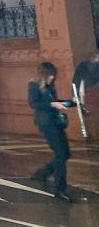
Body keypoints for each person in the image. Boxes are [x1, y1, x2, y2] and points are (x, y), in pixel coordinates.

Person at [28, 62, 73, 203]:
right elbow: (33, 103)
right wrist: (52, 104)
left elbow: (55, 102)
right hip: (46, 123)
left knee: (66, 153)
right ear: (44, 74)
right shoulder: (34, 85)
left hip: (56, 122)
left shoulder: (50, 86)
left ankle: (42, 173)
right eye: (50, 75)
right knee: (60, 154)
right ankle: (59, 189)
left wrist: (71, 103)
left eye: (53, 75)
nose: (53, 77)